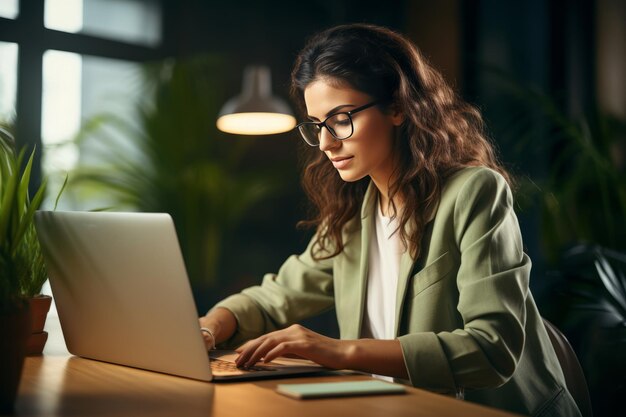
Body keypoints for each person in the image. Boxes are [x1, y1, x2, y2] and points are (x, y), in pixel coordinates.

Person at [199, 23, 580, 416]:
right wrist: (210, 326)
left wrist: (339, 351)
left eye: (342, 118)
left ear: (398, 106)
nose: (328, 143)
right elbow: (274, 298)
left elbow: (491, 348)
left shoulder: (474, 193)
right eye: (318, 125)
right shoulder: (353, 214)